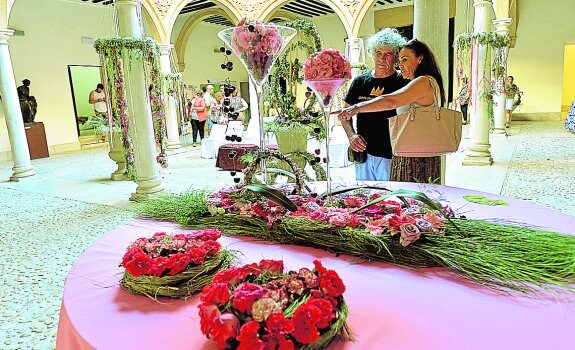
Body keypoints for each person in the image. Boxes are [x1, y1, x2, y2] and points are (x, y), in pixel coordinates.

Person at [338, 39, 446, 184]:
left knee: (408, 199)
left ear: (420, 59)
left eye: (405, 59)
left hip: (415, 156)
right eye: (400, 59)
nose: (401, 64)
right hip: (399, 154)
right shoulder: (361, 81)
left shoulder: (422, 82)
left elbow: (391, 101)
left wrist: (356, 108)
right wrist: (352, 134)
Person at [341, 28, 408, 181]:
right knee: (365, 196)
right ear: (372, 53)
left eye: (388, 54)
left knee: (388, 199)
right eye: (378, 52)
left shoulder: (402, 82)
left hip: (390, 155)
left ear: (396, 57)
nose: (382, 58)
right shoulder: (360, 82)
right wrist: (352, 136)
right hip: (363, 153)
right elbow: (345, 114)